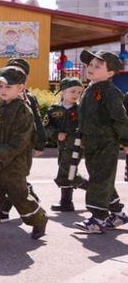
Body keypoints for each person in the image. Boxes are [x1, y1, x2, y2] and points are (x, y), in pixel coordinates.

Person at [0, 66, 48, 242]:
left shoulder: (23, 110)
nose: (2, 90)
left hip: (13, 164)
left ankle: (39, 220)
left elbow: (20, 139)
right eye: (0, 86)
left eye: (8, 87)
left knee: (19, 196)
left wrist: (1, 154)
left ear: (21, 88)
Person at [73, 50, 128, 233]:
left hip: (106, 143)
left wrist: (126, 140)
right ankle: (118, 214)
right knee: (103, 179)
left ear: (110, 73)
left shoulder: (111, 92)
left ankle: (97, 219)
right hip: (91, 143)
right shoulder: (90, 89)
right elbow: (85, 116)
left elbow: (120, 119)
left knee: (99, 179)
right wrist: (80, 135)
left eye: (98, 66)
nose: (92, 68)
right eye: (90, 65)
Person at [44, 77, 88, 212]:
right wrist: (56, 133)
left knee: (68, 172)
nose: (76, 95)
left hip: (76, 146)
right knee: (67, 171)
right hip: (62, 146)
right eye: (73, 91)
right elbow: (46, 126)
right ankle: (67, 202)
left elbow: (87, 127)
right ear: (63, 92)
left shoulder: (81, 110)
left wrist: (84, 140)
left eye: (79, 92)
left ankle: (96, 191)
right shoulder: (53, 109)